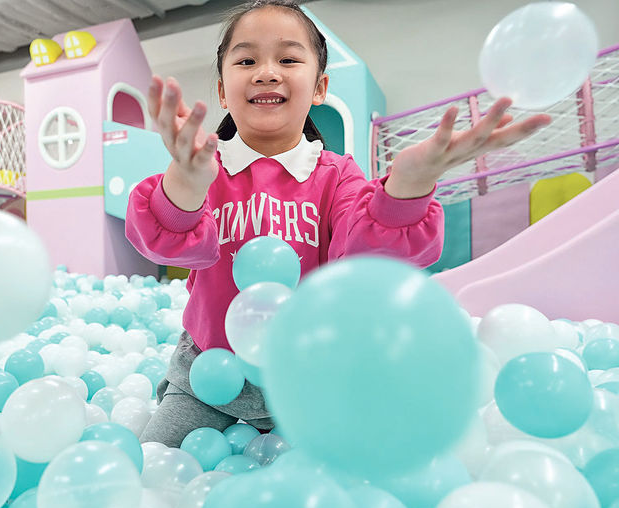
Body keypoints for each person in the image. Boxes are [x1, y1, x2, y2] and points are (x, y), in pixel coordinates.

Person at [125, 0, 550, 447]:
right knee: (155, 463)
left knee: (360, 463)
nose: (266, 73)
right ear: (223, 92)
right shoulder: (205, 170)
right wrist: (186, 182)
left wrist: (409, 185)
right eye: (247, 60)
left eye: (288, 59)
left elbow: (366, 252)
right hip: (209, 380)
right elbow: (167, 243)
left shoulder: (336, 175)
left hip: (312, 379)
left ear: (320, 87)